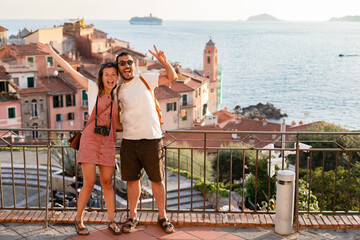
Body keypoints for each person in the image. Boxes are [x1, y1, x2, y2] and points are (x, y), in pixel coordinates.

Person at [36, 43, 122, 236]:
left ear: (117, 77)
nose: (110, 78)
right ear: (101, 77)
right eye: (106, 74)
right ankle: (79, 219)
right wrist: (52, 53)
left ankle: (111, 220)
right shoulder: (92, 88)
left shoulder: (119, 95)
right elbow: (69, 69)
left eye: (113, 75)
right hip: (90, 139)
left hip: (107, 142)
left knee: (108, 183)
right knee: (89, 182)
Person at [116, 46, 178, 234]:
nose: (126, 66)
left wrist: (164, 62)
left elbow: (172, 78)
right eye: (122, 63)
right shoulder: (117, 90)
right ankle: (132, 216)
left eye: (129, 62)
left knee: (157, 180)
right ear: (118, 68)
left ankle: (163, 216)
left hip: (152, 139)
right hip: (129, 141)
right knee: (132, 181)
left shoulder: (145, 78)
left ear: (134, 65)